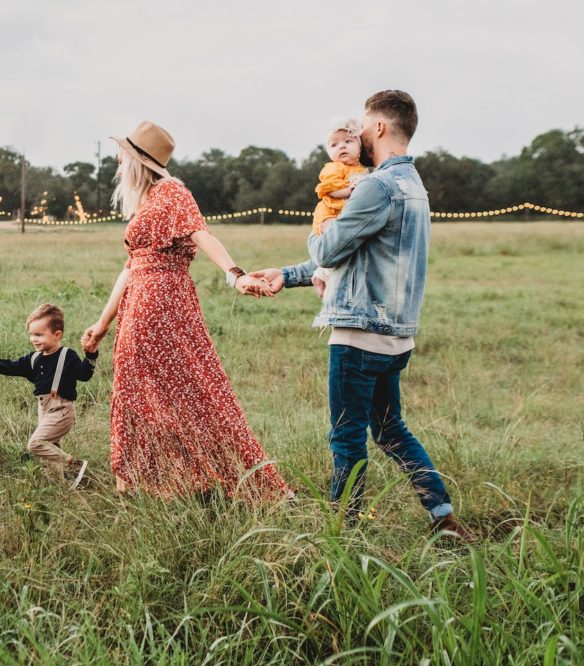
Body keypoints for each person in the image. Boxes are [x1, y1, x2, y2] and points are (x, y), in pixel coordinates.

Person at [251, 91, 471, 538]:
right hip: (396, 336)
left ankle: (343, 532)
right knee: (391, 431)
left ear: (381, 128)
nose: (358, 134)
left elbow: (331, 248)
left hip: (358, 334)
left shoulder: (376, 185)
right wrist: (288, 275)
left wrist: (322, 228)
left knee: (346, 436)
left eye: (364, 126)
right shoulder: (414, 186)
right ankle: (442, 516)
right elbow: (358, 256)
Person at [81, 120, 292, 501]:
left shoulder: (172, 192)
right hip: (140, 302)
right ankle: (143, 481)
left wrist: (235, 275)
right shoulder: (146, 201)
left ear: (139, 161)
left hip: (161, 303)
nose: (116, 161)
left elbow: (202, 234)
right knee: (138, 390)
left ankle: (197, 477)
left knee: (188, 389)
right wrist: (102, 323)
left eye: (122, 155)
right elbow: (130, 267)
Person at [0, 304, 95, 488]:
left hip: (62, 410)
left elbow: (84, 375)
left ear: (57, 335)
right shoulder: (34, 358)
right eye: (32, 334)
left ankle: (73, 464)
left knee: (36, 444)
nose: (33, 339)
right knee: (49, 454)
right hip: (44, 409)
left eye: (39, 335)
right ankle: (59, 488)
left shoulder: (67, 356)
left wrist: (91, 354)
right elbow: (10, 366)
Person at [311, 118, 369, 295]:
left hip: (342, 213)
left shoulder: (362, 170)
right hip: (329, 212)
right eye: (334, 145)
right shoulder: (334, 167)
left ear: (360, 147)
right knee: (335, 239)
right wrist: (348, 191)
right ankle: (323, 274)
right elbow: (329, 189)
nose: (341, 147)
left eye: (348, 142)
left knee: (346, 242)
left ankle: (322, 273)